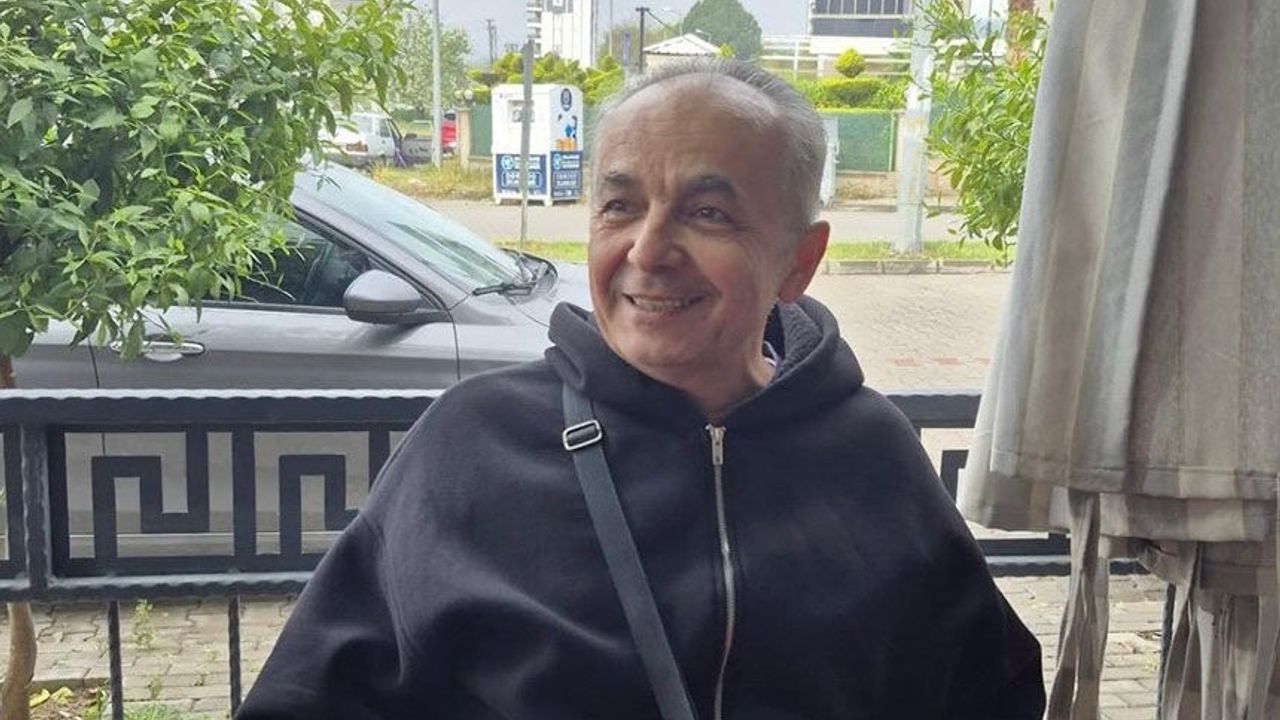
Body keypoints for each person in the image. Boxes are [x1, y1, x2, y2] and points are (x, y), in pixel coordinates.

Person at [237, 59, 1044, 719]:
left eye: (708, 213)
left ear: (798, 261)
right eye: (620, 206)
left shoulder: (871, 452)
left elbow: (991, 689)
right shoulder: (470, 443)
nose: (648, 251)